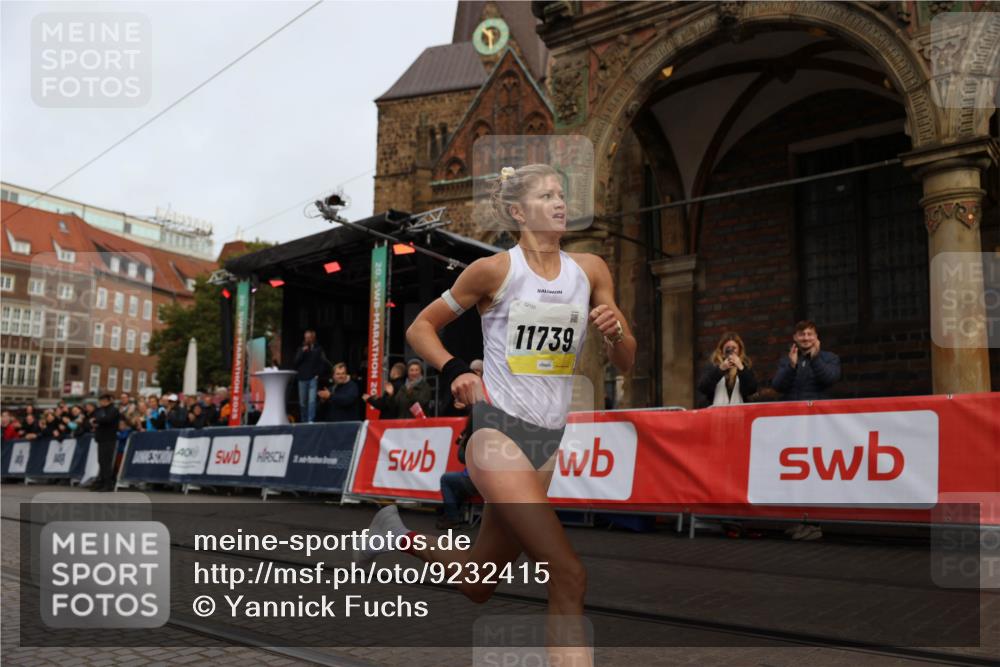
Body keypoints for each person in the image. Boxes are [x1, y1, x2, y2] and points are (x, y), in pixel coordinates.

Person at [353, 163, 635, 667]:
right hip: (497, 436)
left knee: (478, 583)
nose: (560, 203)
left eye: (561, 194)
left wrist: (615, 332)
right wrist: (458, 369)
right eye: (547, 194)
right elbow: (421, 329)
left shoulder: (591, 270)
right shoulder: (495, 271)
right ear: (516, 210)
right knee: (568, 575)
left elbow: (628, 359)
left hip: (547, 443)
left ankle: (398, 536)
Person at [772, 320, 841, 401]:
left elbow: (830, 380)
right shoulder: (787, 360)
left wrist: (815, 359)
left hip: (818, 411)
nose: (806, 338)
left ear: (816, 336)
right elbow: (777, 387)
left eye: (810, 334)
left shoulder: (830, 357)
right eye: (801, 334)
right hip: (794, 411)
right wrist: (791, 366)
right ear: (795, 337)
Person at [696, 332, 758, 407]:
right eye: (727, 348)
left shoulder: (745, 366)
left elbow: (751, 390)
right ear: (722, 351)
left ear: (739, 351)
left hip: (739, 412)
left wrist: (741, 368)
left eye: (734, 348)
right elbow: (703, 388)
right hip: (715, 412)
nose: (731, 351)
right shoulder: (713, 366)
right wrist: (720, 370)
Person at [294, 330, 328, 423]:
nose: (308, 339)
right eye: (306, 337)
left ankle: (310, 421)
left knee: (312, 401)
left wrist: (318, 374)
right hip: (302, 378)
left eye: (309, 337)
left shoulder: (318, 349)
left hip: (313, 378)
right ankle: (304, 421)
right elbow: (296, 362)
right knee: (303, 402)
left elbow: (322, 362)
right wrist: (303, 352)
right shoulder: (301, 349)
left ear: (313, 338)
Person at [91, 394, 120, 491]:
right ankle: (102, 482)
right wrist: (97, 420)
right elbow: (95, 418)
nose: (101, 402)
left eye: (103, 400)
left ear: (108, 400)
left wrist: (97, 420)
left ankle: (108, 484)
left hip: (109, 438)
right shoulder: (100, 410)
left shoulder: (113, 410)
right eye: (100, 400)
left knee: (106, 462)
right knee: (101, 461)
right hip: (101, 438)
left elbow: (107, 419)